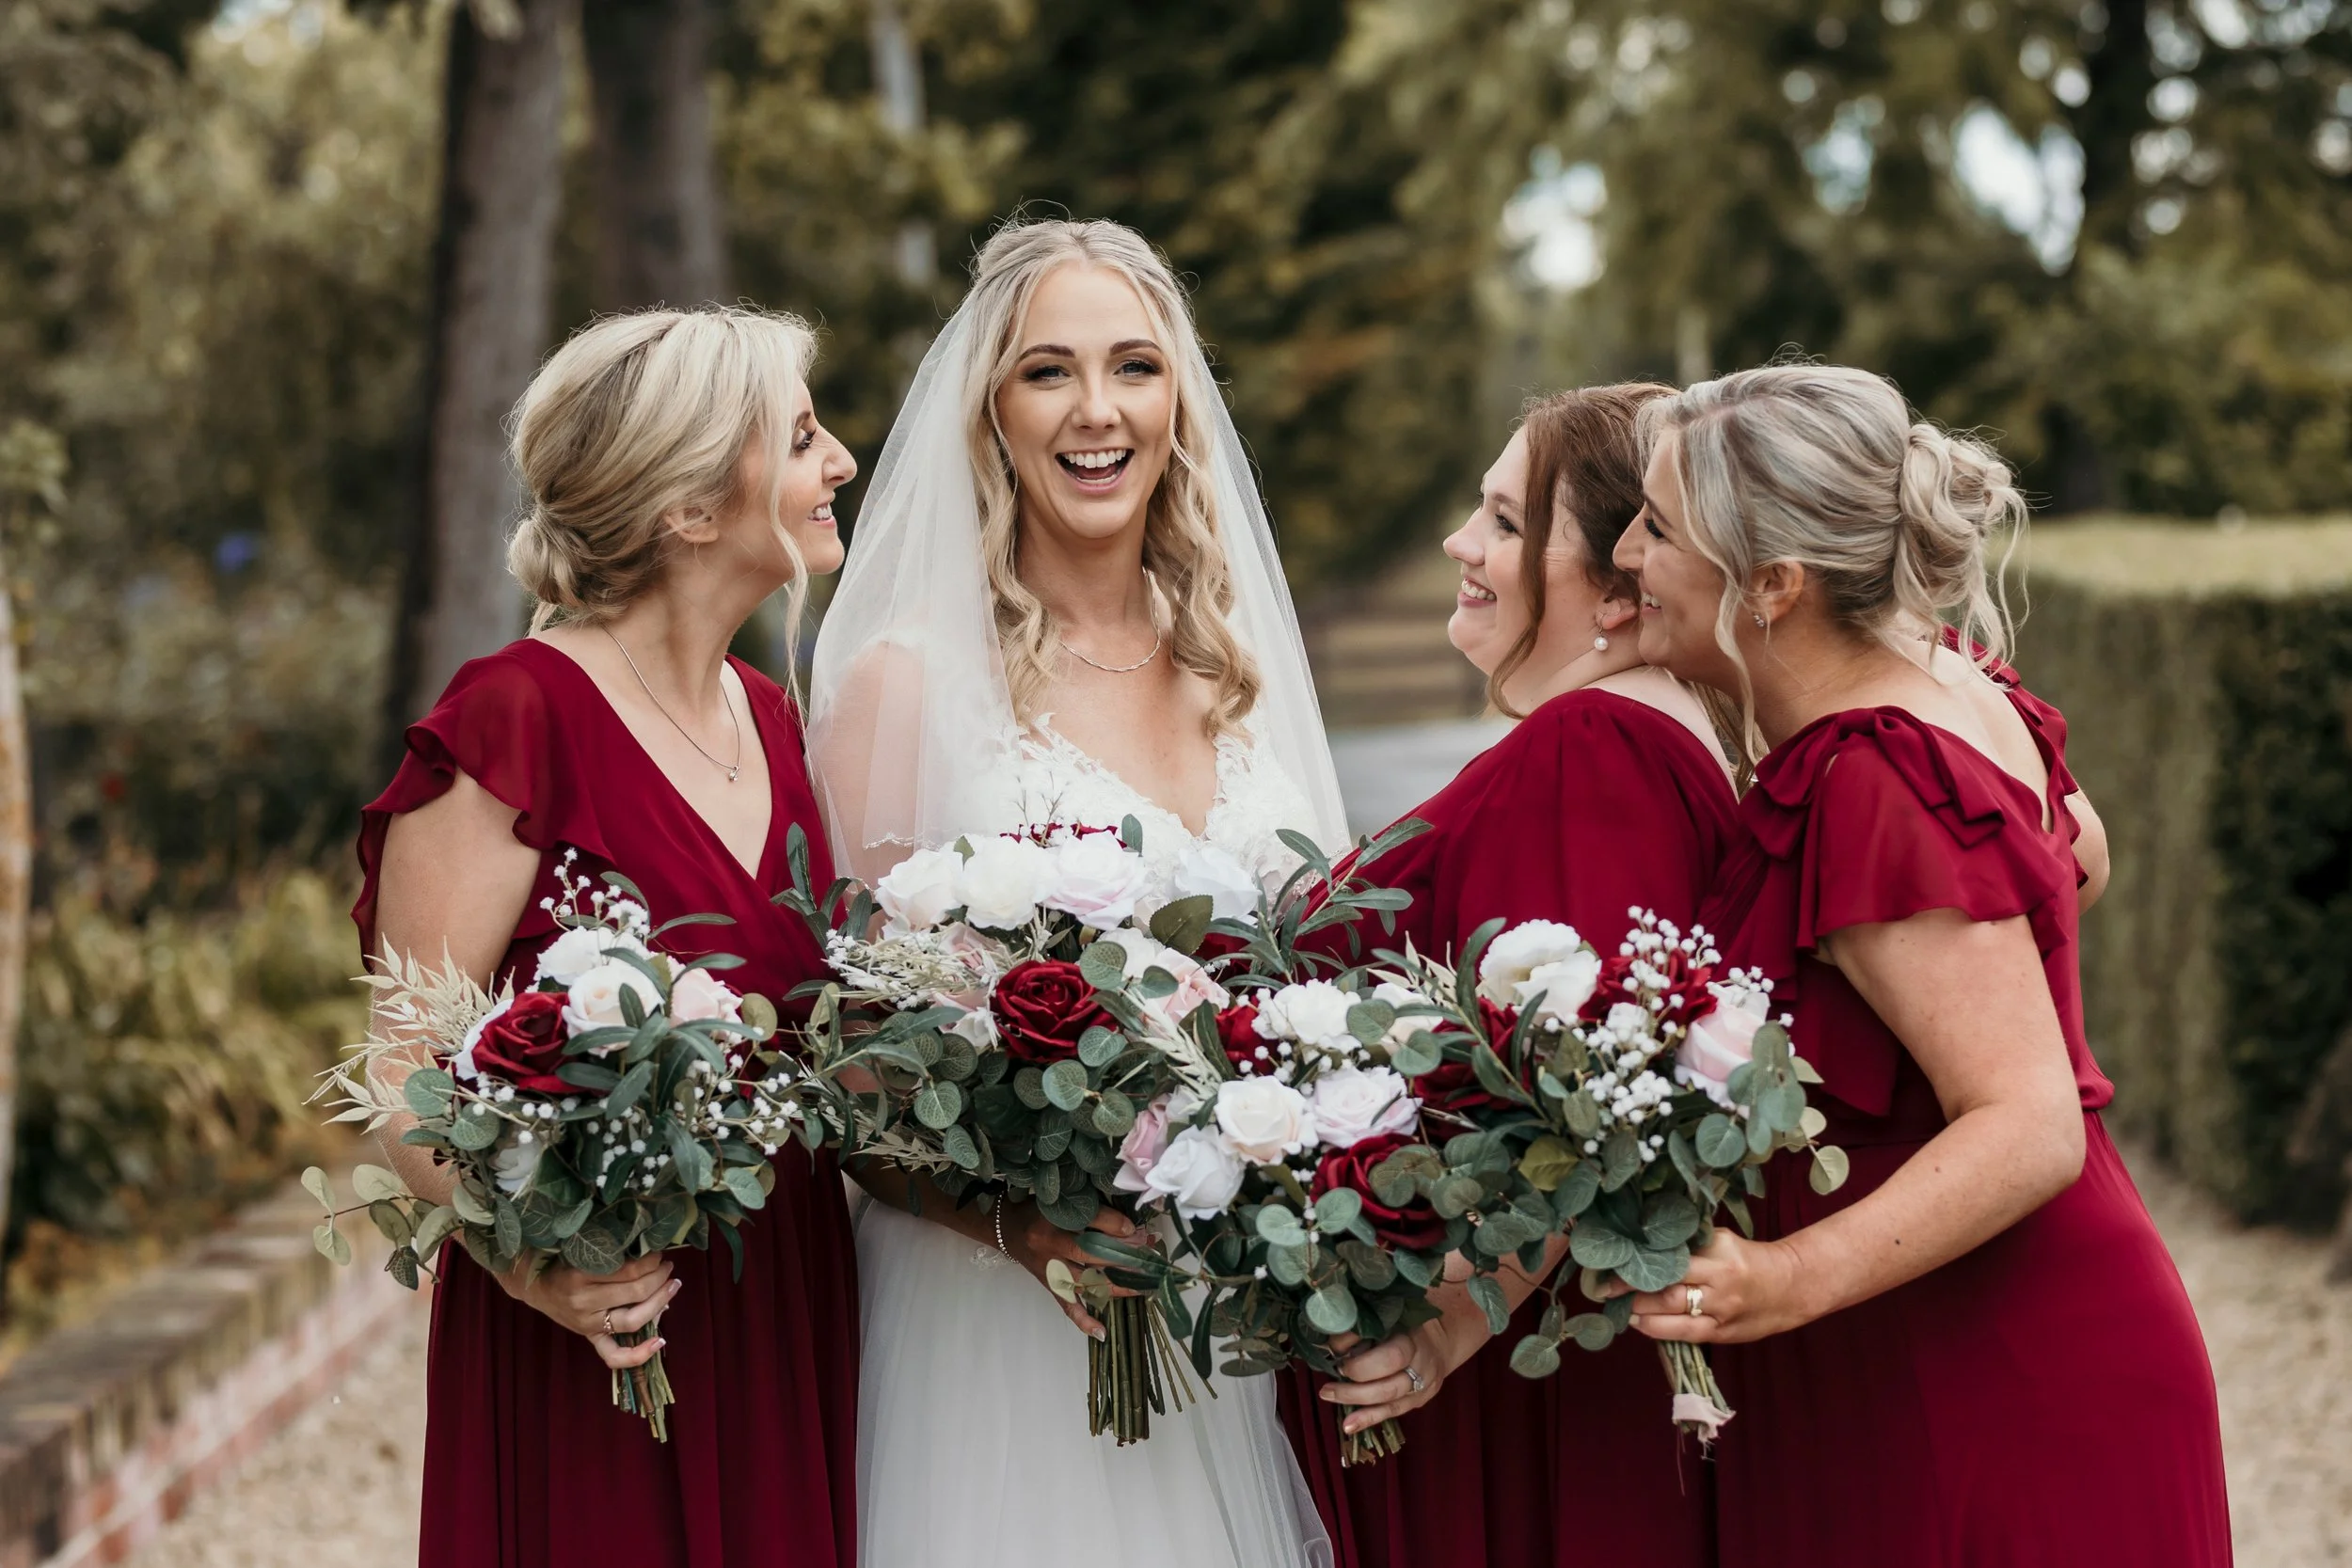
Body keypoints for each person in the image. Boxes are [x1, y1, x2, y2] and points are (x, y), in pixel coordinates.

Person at [1608, 363, 2230, 1565]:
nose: (1629, 553)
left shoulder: (1870, 774)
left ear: (1772, 586)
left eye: (1657, 528)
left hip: (1990, 1371)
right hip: (1977, 1336)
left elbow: (2030, 1119)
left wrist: (1787, 1273)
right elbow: (2079, 860)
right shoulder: (1948, 679)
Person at [805, 217, 1348, 1568]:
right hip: (996, 1323)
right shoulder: (905, 684)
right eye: (1049, 371)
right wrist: (1026, 1218)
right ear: (991, 410)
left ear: (1180, 401)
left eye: (1135, 368)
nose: (1098, 410)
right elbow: (846, 1060)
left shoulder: (1242, 669)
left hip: (1214, 1309)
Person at [354, 307, 864, 1567]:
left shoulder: (772, 717)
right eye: (801, 437)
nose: (842, 458)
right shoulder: (513, 718)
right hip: (599, 1332)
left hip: (784, 1303)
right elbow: (399, 1072)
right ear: (689, 506)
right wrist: (542, 1265)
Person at [1297, 387, 1737, 1568]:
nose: (1460, 543)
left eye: (1501, 518)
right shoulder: (1632, 725)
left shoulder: (1592, 747)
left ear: (1615, 586)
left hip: (1515, 1385)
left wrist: (1448, 1324)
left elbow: (1587, 1099)